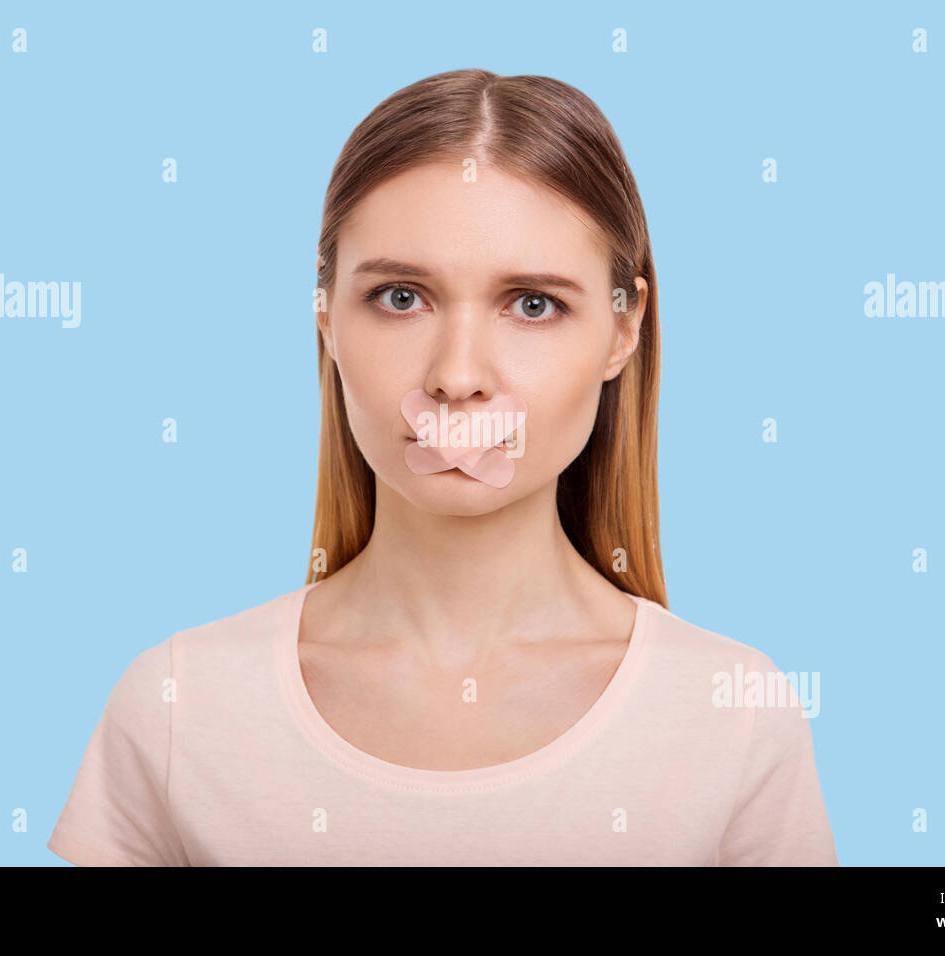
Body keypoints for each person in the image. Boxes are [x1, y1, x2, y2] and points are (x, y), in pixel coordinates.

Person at [47, 68, 838, 866]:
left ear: (622, 332)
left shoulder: (732, 713)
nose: (457, 377)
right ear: (325, 317)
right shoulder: (180, 705)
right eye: (400, 297)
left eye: (533, 304)